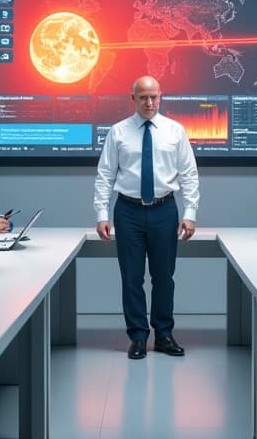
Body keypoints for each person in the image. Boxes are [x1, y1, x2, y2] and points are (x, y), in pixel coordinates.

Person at [94, 76, 200, 360]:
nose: (149, 102)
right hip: (127, 211)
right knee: (131, 278)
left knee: (164, 277)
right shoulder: (117, 132)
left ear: (161, 97)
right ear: (133, 99)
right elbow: (105, 175)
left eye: (154, 97)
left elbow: (189, 175)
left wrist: (190, 214)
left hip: (165, 210)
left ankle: (164, 335)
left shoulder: (175, 131)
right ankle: (138, 336)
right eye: (143, 97)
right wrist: (102, 213)